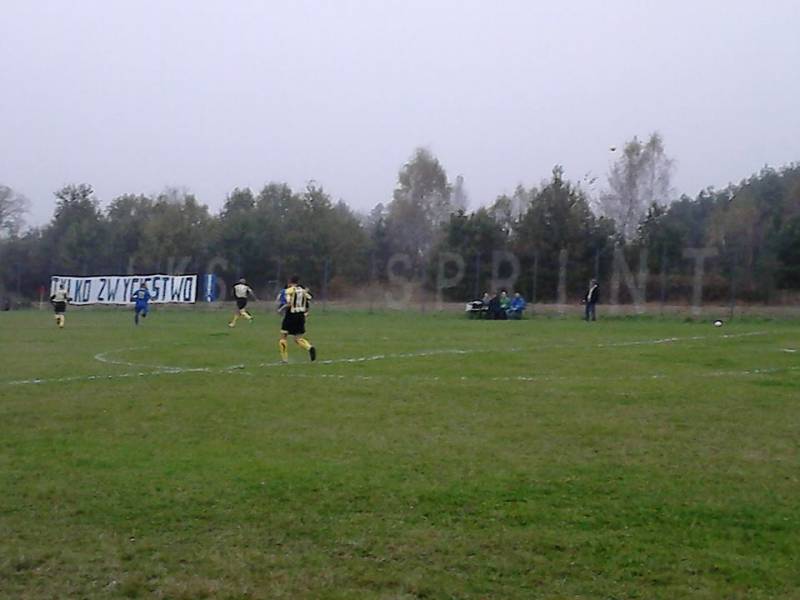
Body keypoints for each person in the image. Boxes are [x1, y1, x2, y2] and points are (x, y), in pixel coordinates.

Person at [278, 276, 316, 363]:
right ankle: (309, 347)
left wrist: (281, 309)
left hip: (291, 315)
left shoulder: (289, 291)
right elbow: (309, 298)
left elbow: (288, 303)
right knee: (298, 338)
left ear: (290, 282)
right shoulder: (303, 291)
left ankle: (284, 359)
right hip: (300, 315)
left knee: (283, 336)